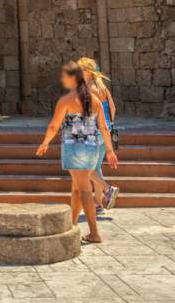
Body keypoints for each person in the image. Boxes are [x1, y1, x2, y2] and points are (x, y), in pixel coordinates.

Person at [36, 62, 118, 245]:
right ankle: (72, 225)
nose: (63, 79)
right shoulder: (94, 99)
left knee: (84, 191)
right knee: (75, 189)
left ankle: (94, 233)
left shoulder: (66, 100)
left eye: (65, 76)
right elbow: (104, 127)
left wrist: (45, 143)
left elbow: (53, 126)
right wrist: (110, 150)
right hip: (92, 148)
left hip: (75, 149)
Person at [76, 57, 119, 211]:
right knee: (96, 166)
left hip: (92, 130)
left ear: (87, 71)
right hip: (104, 130)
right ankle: (99, 204)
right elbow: (112, 108)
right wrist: (109, 123)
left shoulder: (88, 89)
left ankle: (108, 189)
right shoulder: (102, 87)